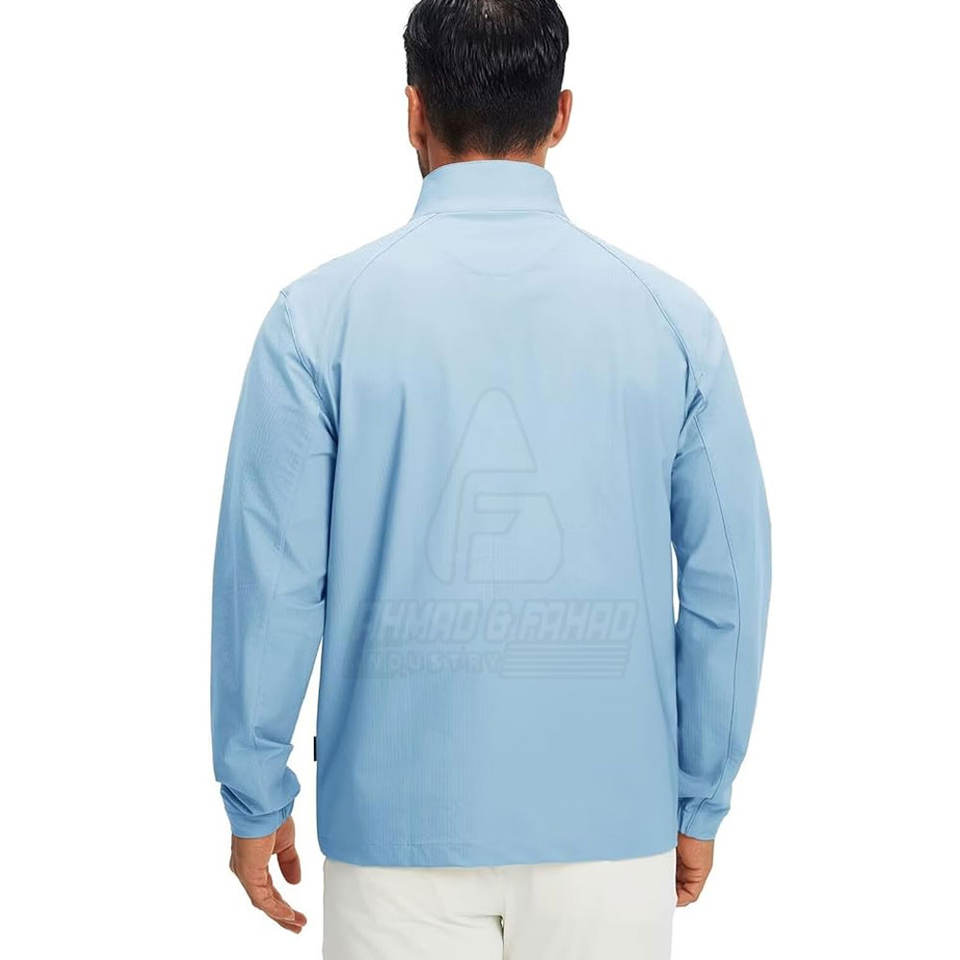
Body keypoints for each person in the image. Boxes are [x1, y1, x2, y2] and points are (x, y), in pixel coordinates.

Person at [211, 1, 771, 956]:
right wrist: (700, 797)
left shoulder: (317, 322)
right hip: (613, 832)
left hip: (395, 836)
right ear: (562, 114)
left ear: (412, 112)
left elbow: (270, 586)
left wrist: (255, 793)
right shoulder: (672, 323)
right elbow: (729, 583)